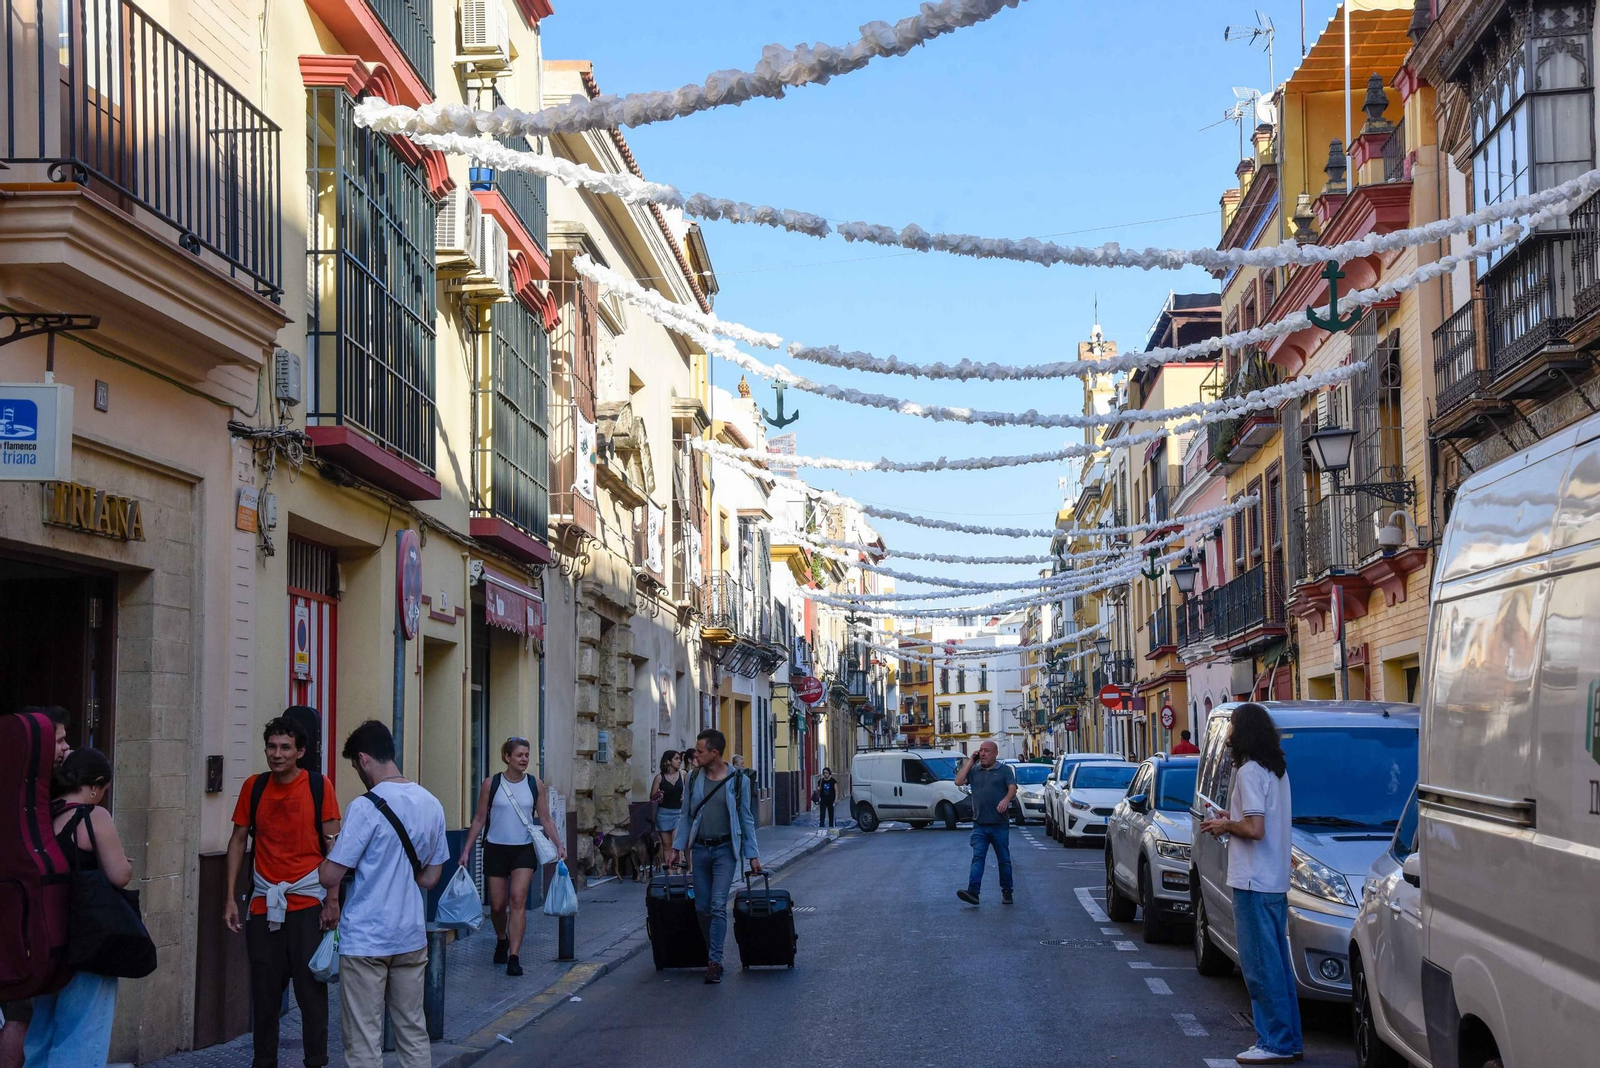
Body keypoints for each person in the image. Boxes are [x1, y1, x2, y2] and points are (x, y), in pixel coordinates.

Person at [319, 721, 448, 1068]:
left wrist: (333, 851)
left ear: (363, 759)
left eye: (355, 766)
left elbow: (329, 876)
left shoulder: (364, 807)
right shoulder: (431, 803)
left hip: (366, 938)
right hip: (410, 935)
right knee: (413, 1031)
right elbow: (430, 878)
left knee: (364, 1040)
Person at [224, 716, 341, 1068]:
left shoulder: (319, 786)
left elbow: (335, 846)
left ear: (300, 752)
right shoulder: (254, 787)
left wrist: (332, 901)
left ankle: (316, 1060)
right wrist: (230, 897)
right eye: (272, 747)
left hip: (308, 902)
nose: (277, 754)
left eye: (286, 748)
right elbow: (238, 840)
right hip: (264, 903)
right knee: (263, 993)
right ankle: (264, 1061)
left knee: (310, 992)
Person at [1198, 703, 1300, 1065]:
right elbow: (1260, 819)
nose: (1228, 734)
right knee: (1278, 966)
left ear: (1243, 732)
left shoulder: (1248, 772)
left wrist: (1225, 825)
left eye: (1232, 726)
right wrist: (1231, 816)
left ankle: (1274, 1042)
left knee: (1259, 967)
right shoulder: (1276, 772)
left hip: (1254, 881)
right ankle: (1289, 1038)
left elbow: (1255, 830)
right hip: (1273, 880)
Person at [23, 749, 132, 1066]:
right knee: (83, 1034)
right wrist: (124, 862)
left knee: (42, 1033)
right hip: (87, 938)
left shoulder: (41, 814)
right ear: (96, 785)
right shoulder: (94, 816)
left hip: (44, 940)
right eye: (104, 789)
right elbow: (120, 876)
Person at [1, 705, 73, 1068]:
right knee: (21, 1014)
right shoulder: (26, 789)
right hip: (24, 925)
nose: (66, 748)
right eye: (58, 741)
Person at [458, 737, 566, 976]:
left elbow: (546, 818)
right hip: (496, 848)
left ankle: (514, 957)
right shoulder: (491, 783)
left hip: (523, 850)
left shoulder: (535, 784)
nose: (524, 759)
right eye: (519, 755)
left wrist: (559, 844)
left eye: (527, 755)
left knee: (517, 900)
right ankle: (502, 939)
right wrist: (466, 850)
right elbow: (479, 818)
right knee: (497, 906)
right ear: (507, 757)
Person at [665, 729, 761, 984]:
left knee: (718, 905)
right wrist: (675, 848)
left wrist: (752, 855)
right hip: (699, 849)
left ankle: (714, 961)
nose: (695, 756)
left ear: (714, 753)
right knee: (702, 907)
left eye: (700, 751)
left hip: (725, 851)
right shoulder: (693, 777)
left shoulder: (739, 781)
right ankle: (711, 951)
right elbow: (686, 815)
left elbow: (746, 819)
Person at [953, 740, 1017, 906]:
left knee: (1004, 860)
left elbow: (1012, 788)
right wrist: (970, 762)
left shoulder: (1004, 770)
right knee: (978, 858)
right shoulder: (975, 770)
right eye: (981, 750)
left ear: (995, 753)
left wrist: (1006, 800)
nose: (983, 753)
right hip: (979, 825)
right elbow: (958, 781)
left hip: (999, 824)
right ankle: (973, 892)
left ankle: (1007, 891)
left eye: (987, 751)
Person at [650, 750, 685, 861]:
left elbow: (691, 790)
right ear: (668, 761)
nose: (679, 761)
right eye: (676, 759)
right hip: (663, 814)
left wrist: (685, 796)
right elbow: (652, 797)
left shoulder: (683, 774)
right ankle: (669, 869)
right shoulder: (659, 777)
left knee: (676, 844)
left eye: (680, 759)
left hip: (679, 813)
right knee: (667, 845)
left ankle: (678, 868)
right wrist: (658, 795)